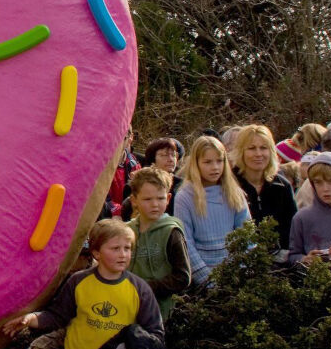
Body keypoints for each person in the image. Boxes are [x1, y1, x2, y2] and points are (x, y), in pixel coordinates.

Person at [2, 219, 165, 349]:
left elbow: (156, 336)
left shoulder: (140, 289)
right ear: (96, 252)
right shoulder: (78, 282)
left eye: (127, 248)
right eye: (115, 248)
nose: (123, 254)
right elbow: (57, 316)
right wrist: (31, 319)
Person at [174, 136, 250, 286]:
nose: (215, 167)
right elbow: (186, 242)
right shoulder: (185, 197)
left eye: (219, 161)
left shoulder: (233, 192)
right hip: (203, 279)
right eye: (207, 162)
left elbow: (247, 233)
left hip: (236, 274)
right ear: (196, 163)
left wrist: (241, 271)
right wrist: (207, 280)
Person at [125, 167, 192, 319]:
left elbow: (183, 277)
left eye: (160, 198)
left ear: (168, 199)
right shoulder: (126, 231)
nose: (155, 204)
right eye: (148, 199)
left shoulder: (172, 232)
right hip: (127, 307)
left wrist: (146, 287)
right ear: (134, 201)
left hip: (160, 311)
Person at [231, 124, 297, 250]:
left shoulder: (282, 186)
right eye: (251, 148)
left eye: (263, 148)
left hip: (280, 262)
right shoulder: (229, 185)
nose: (258, 154)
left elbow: (292, 231)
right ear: (241, 151)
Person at [105, 126, 142, 218]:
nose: (117, 140)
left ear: (130, 138)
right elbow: (100, 197)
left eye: (122, 136)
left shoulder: (133, 164)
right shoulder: (100, 164)